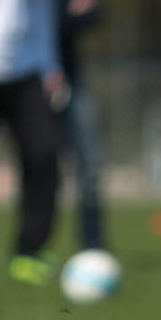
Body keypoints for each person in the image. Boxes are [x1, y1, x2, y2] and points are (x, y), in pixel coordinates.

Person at [0, 0, 62, 285]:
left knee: (44, 154)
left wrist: (51, 65)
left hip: (27, 74)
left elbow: (43, 18)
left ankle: (30, 250)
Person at [57, 0, 103, 253]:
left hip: (71, 80)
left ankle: (93, 243)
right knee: (40, 165)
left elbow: (92, 14)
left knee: (90, 165)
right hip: (24, 82)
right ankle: (32, 246)